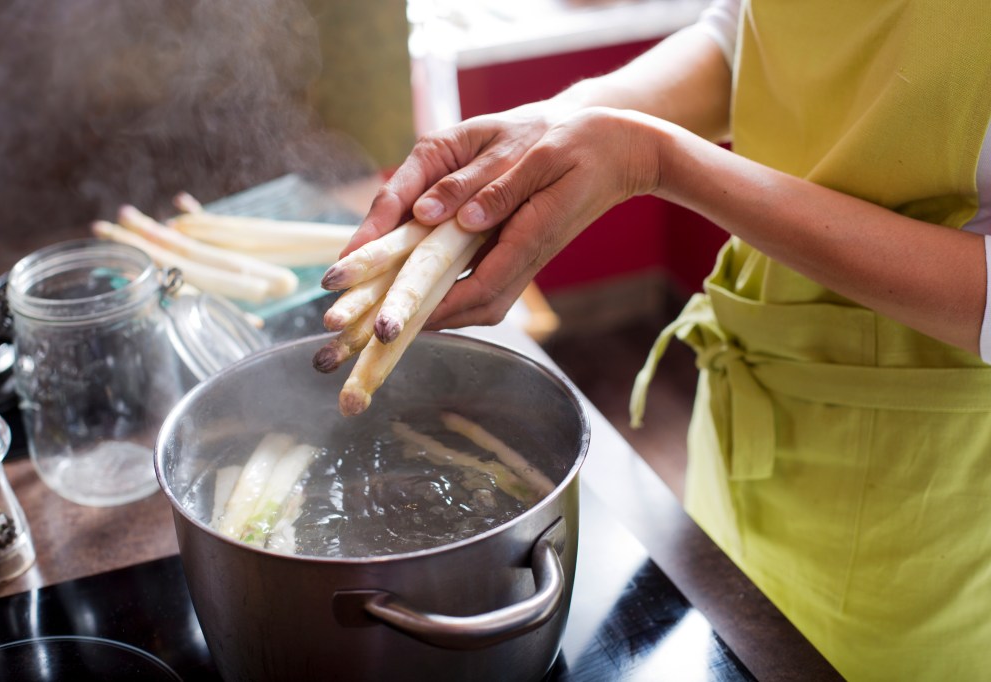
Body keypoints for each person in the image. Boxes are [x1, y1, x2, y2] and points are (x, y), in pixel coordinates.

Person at [343, 1, 991, 678]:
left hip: (927, 500)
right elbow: (748, 38)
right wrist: (566, 123)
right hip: (747, 433)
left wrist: (656, 159)